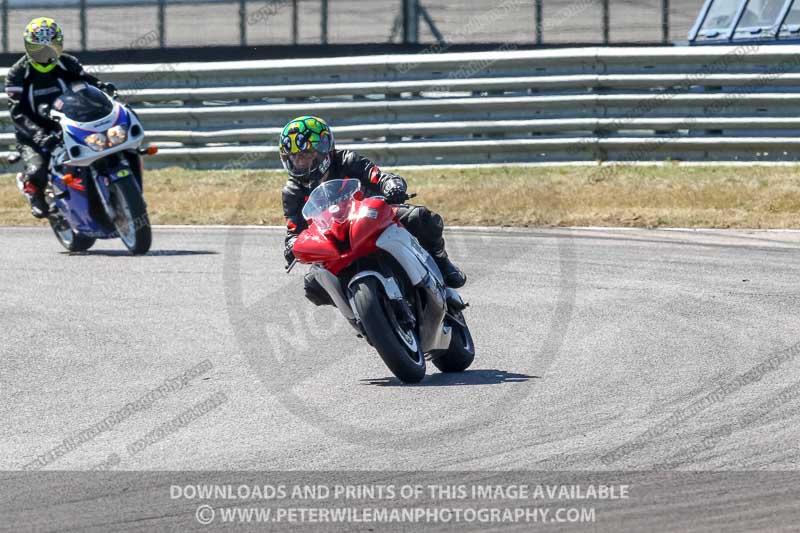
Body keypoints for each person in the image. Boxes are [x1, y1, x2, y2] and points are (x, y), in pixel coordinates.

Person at [279, 116, 466, 305]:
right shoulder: (292, 191)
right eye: (295, 157)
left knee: (421, 218)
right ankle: (358, 312)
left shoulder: (347, 160)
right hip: (334, 239)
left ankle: (442, 264)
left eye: (306, 154)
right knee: (313, 285)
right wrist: (292, 245)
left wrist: (392, 186)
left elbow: (379, 176)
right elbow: (294, 229)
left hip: (372, 218)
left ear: (323, 149)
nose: (300, 162)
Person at [5, 17, 118, 218]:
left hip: (70, 124)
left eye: (51, 47)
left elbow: (88, 83)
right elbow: (17, 112)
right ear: (28, 47)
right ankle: (33, 191)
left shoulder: (68, 62)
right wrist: (38, 135)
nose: (46, 54)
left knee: (105, 147)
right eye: (39, 49)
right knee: (37, 168)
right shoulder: (17, 73)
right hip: (33, 133)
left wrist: (104, 89)